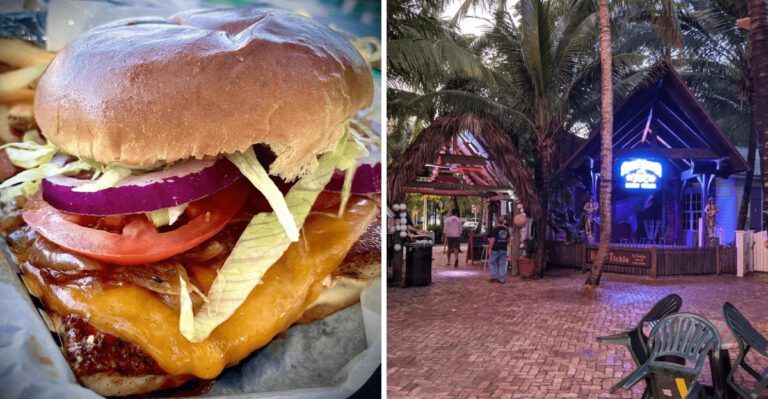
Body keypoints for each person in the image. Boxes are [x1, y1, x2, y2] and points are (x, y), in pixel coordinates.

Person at [487, 216, 510, 284]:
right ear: (503, 222)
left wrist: (490, 248)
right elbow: (509, 240)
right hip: (504, 249)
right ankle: (502, 280)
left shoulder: (495, 230)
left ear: (497, 222)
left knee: (491, 262)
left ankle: (494, 276)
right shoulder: (506, 230)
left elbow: (492, 240)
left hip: (496, 249)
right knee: (502, 264)